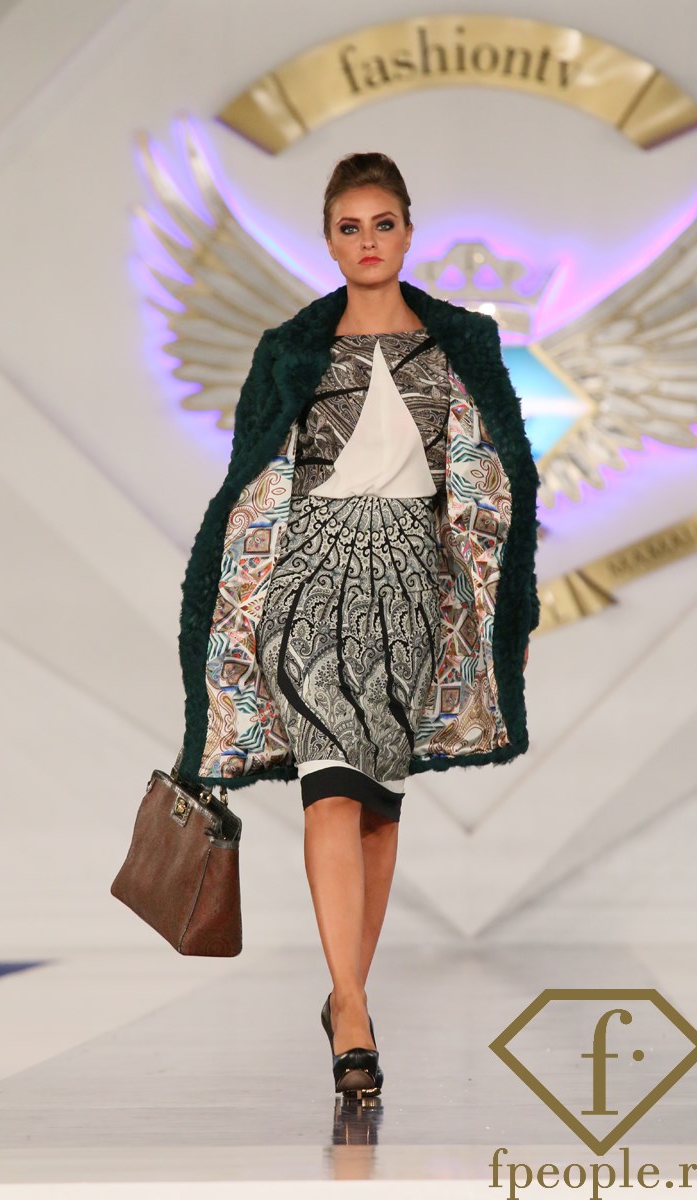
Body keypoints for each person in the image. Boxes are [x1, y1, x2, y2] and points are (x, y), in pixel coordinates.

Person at [176, 151, 540, 1100]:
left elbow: (499, 473)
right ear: (329, 241)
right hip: (308, 577)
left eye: (383, 224)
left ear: (409, 233)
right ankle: (351, 1012)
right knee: (330, 789)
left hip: (411, 586)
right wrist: (233, 609)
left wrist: (489, 599)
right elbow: (249, 482)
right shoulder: (290, 349)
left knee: (378, 803)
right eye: (351, 227)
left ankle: (348, 994)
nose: (369, 242)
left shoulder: (463, 343)